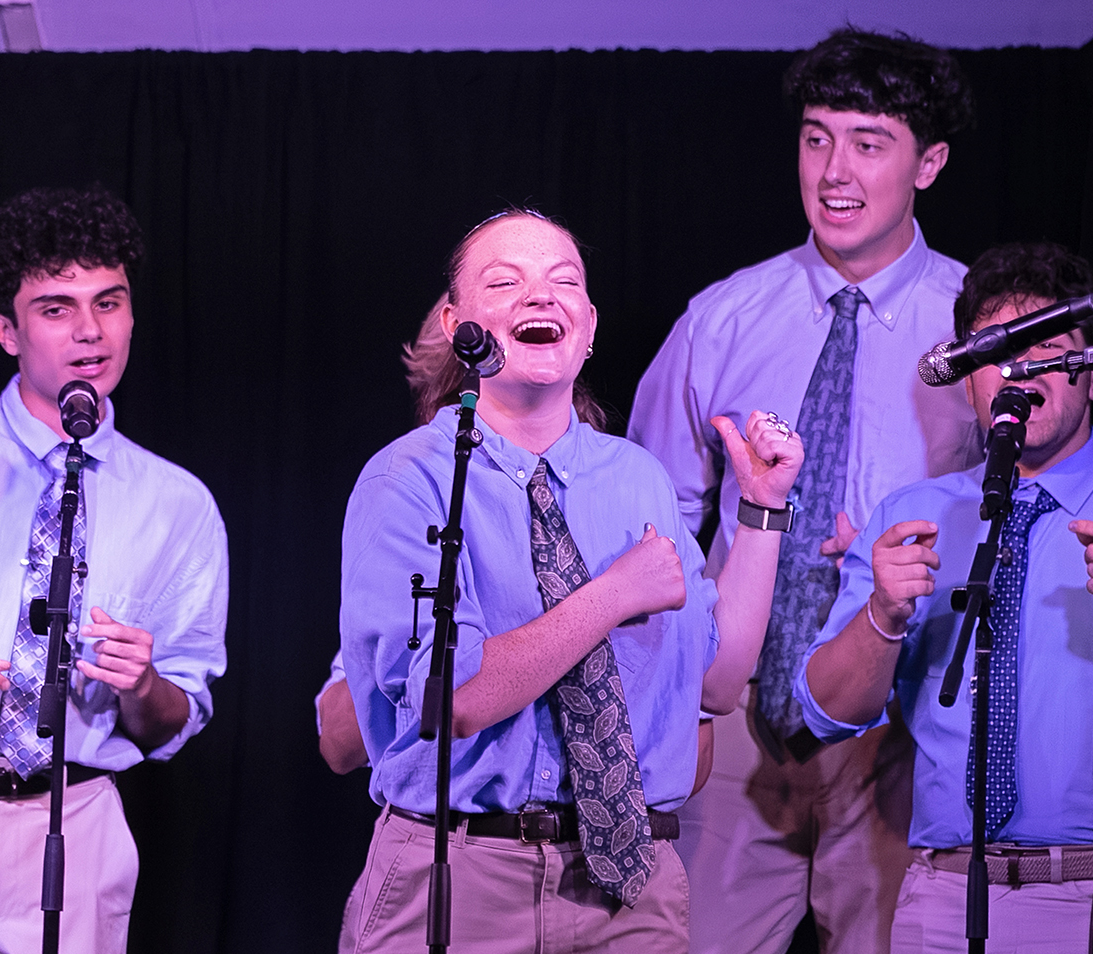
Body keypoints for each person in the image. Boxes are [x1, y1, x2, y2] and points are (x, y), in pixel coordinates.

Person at [338, 210, 802, 952]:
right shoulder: (413, 478)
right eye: (505, 282)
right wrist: (614, 593)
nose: (540, 297)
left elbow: (717, 682)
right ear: (459, 323)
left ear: (587, 327)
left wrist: (762, 513)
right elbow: (451, 696)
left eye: (563, 283)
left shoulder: (638, 477)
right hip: (464, 872)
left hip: (632, 889)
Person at [799, 242, 1093, 952]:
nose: (1023, 372)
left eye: (1049, 350)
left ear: (1091, 375)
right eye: (999, 351)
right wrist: (881, 617)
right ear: (967, 379)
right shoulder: (912, 514)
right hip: (944, 897)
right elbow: (826, 711)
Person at [628, 27, 981, 954]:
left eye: (869, 143)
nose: (834, 171)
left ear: (929, 163)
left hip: (904, 726)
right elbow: (649, 521)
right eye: (817, 136)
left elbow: (1038, 517)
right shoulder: (722, 319)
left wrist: (901, 550)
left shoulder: (977, 330)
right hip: (737, 727)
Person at [0, 185, 229, 954]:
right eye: (56, 308)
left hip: (79, 818)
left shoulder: (179, 503)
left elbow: (175, 718)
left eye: (110, 301)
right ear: (6, 329)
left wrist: (144, 685)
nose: (90, 332)